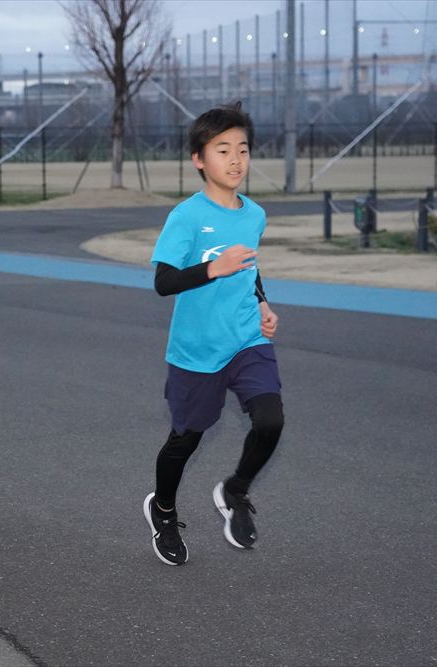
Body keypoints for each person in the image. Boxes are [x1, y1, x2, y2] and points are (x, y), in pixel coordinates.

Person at [143, 102, 284, 566]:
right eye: (222, 150)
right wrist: (212, 268)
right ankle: (163, 510)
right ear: (199, 160)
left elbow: (250, 269)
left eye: (242, 149)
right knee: (186, 439)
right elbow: (164, 281)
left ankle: (235, 490)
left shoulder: (254, 214)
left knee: (270, 420)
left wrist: (262, 303)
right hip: (197, 350)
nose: (236, 159)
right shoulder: (186, 216)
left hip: (245, 338)